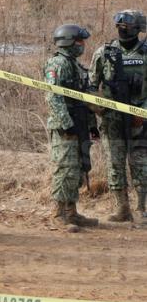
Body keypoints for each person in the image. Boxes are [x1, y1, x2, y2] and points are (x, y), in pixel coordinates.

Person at [89, 10, 147, 222]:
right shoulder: (104, 53)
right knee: (115, 164)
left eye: (128, 26)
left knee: (141, 165)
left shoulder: (145, 54)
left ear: (138, 29)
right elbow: (91, 87)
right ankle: (122, 208)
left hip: (140, 122)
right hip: (112, 120)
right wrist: (99, 105)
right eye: (120, 25)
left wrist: (142, 112)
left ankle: (142, 209)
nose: (123, 28)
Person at [44, 24, 99, 231]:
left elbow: (85, 99)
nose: (83, 45)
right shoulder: (56, 64)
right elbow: (53, 97)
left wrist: (92, 126)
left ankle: (71, 212)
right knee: (65, 169)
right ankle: (59, 214)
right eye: (79, 41)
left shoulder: (75, 65)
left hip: (80, 123)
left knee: (78, 168)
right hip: (64, 128)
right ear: (68, 42)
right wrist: (67, 124)